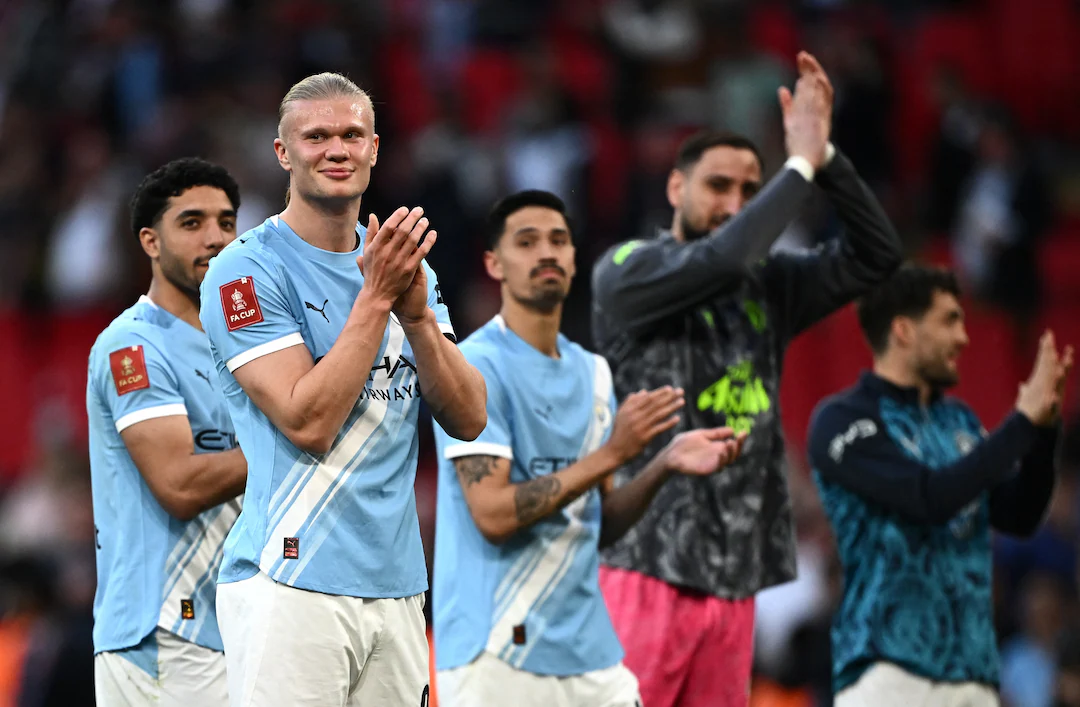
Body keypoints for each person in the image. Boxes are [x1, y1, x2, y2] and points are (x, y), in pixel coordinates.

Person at [590, 52, 904, 707]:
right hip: (648, 565)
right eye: (718, 186)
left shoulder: (769, 286)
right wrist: (797, 168)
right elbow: (725, 254)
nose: (735, 204)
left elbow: (878, 254)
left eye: (748, 189)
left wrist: (827, 159)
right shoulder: (629, 269)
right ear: (676, 189)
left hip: (737, 574)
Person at [199, 72, 487, 707]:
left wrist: (414, 317)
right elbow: (308, 420)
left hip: (400, 586)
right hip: (289, 582)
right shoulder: (245, 271)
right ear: (283, 153)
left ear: (375, 148)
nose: (336, 149)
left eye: (352, 134)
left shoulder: (406, 268)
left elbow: (469, 417)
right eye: (316, 136)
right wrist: (379, 297)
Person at [432, 190, 746, 707]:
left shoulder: (594, 373)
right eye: (527, 242)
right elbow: (492, 513)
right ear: (494, 263)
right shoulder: (473, 369)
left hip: (589, 651)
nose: (547, 253)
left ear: (576, 258)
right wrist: (613, 454)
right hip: (496, 648)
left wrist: (664, 464)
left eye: (559, 240)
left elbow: (600, 521)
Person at [807, 264, 1071, 706]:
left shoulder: (960, 423)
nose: (964, 338)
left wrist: (1042, 431)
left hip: (974, 676)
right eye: (949, 320)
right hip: (888, 673)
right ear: (904, 330)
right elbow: (927, 498)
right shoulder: (845, 420)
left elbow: (1020, 515)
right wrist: (1020, 424)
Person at [87, 157, 247, 706]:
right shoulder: (132, 346)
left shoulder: (245, 345)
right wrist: (293, 437)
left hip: (238, 623)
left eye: (227, 223)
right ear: (150, 242)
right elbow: (179, 485)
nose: (216, 238)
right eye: (192, 222)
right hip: (163, 629)